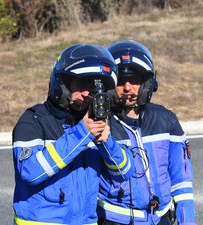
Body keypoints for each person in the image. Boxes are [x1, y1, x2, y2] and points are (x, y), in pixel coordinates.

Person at [12, 44, 134, 225]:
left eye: (93, 88)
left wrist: (106, 142)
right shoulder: (34, 120)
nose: (87, 93)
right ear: (63, 84)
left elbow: (124, 172)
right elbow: (30, 172)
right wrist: (82, 133)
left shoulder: (97, 121)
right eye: (82, 84)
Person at [97, 40, 196, 225]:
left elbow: (181, 181)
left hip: (161, 218)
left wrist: (187, 221)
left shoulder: (166, 120)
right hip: (115, 220)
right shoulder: (97, 124)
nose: (128, 88)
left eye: (134, 80)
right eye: (120, 81)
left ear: (146, 83)